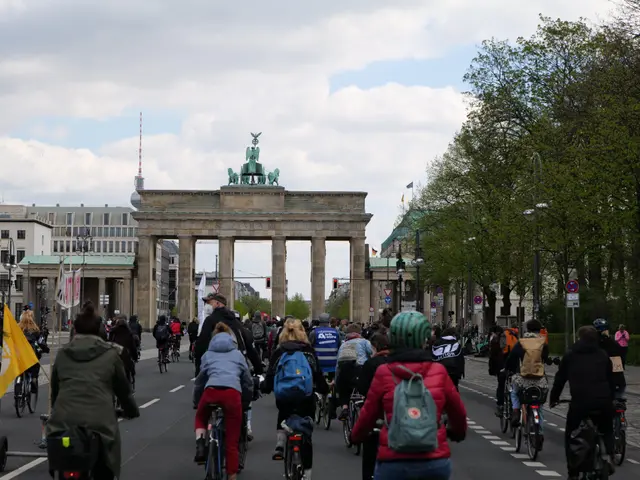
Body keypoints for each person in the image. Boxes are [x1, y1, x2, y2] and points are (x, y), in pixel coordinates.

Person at [350, 311, 467, 480]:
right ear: (425, 340)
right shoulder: (438, 371)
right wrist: (457, 432)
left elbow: (368, 414)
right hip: (434, 461)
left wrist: (357, 435)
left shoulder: (384, 372)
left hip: (394, 461)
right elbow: (458, 412)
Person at [46, 303, 139, 480]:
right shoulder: (111, 355)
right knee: (107, 459)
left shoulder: (63, 354)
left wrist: (55, 411)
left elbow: (55, 390)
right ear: (101, 331)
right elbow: (124, 391)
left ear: (75, 330)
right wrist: (131, 410)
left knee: (62, 457)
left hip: (64, 421)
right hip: (99, 424)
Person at [262, 318, 328, 479]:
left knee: (283, 412)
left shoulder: (279, 351)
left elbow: (270, 376)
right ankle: (307, 474)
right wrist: (324, 389)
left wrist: (265, 387)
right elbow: (318, 376)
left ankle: (280, 442)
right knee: (306, 435)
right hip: (305, 398)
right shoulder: (308, 351)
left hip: (284, 398)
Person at [550, 325, 615, 479]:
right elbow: (611, 380)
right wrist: (611, 399)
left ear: (579, 338)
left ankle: (572, 471)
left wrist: (554, 398)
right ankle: (609, 455)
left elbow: (560, 379)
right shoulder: (603, 355)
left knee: (571, 434)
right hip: (603, 402)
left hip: (580, 404)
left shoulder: (571, 355)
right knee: (607, 429)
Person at [193, 323, 253, 480]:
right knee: (232, 441)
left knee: (200, 417)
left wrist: (196, 400)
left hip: (211, 391)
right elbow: (246, 380)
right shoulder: (238, 355)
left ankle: (200, 444)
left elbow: (200, 380)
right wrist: (247, 398)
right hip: (232, 394)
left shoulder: (208, 354)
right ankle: (231, 474)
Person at [195, 293, 263, 377]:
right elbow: (249, 346)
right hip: (236, 367)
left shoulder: (210, 320)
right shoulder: (235, 322)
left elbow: (201, 345)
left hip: (215, 367)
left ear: (217, 303)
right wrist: (258, 368)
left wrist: (198, 370)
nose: (207, 305)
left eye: (209, 303)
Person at [504, 319, 549, 439]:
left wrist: (508, 368)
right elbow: (546, 358)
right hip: (539, 379)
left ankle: (515, 412)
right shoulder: (543, 343)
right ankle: (540, 432)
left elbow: (512, 357)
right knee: (539, 404)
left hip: (523, 378)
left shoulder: (521, 342)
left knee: (515, 392)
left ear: (527, 330)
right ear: (539, 330)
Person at [357, 333, 390, 480]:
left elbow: (362, 388)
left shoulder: (371, 364)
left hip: (376, 413)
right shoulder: (394, 361)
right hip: (395, 414)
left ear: (374, 347)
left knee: (369, 452)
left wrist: (356, 434)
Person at [336, 324, 374, 420]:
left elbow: (338, 364)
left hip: (345, 369)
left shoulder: (343, 345)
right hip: (360, 369)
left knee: (343, 388)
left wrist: (336, 379)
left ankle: (345, 407)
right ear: (359, 333)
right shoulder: (364, 342)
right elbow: (373, 354)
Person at [593, 318, 626, 398]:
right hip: (617, 379)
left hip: (601, 380)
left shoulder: (593, 344)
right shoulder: (613, 343)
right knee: (618, 397)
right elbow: (621, 357)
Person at [18, 309, 49, 392]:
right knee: (36, 364)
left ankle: (18, 381)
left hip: (19, 355)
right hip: (30, 355)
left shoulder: (17, 328)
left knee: (19, 368)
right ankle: (34, 379)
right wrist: (46, 349)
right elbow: (41, 342)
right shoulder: (35, 329)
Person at [108, 315, 137, 385]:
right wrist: (135, 357)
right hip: (125, 356)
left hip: (114, 356)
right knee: (128, 368)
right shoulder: (129, 333)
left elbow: (109, 343)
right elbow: (133, 347)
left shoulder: (113, 332)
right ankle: (129, 386)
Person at [488, 324, 507, 416]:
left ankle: (500, 406)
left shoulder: (494, 339)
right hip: (512, 365)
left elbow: (492, 356)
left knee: (501, 386)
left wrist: (491, 370)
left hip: (500, 366)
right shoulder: (510, 337)